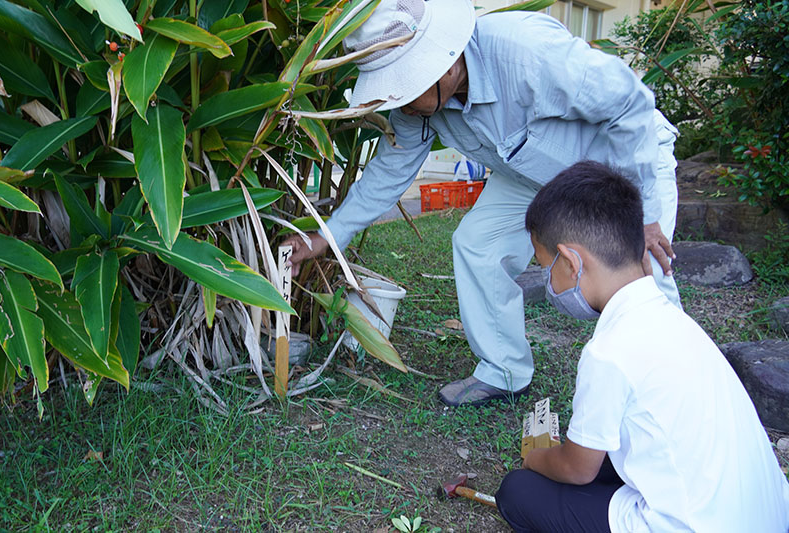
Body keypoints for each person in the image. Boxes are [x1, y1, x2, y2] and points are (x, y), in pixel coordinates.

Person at [283, 0, 682, 406]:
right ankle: (504, 371)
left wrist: (644, 213)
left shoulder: (526, 52)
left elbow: (629, 103)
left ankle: (671, 391)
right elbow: (388, 173)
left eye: (405, 83)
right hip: (532, 170)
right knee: (479, 244)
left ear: (448, 63)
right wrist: (326, 238)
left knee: (643, 269)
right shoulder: (416, 105)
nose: (398, 101)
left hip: (622, 159)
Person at [494, 161, 789, 532]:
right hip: (768, 516)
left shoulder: (609, 351)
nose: (548, 282)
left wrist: (534, 459)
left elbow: (578, 469)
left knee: (519, 491)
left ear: (571, 262)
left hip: (692, 525)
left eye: (545, 266)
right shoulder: (675, 322)